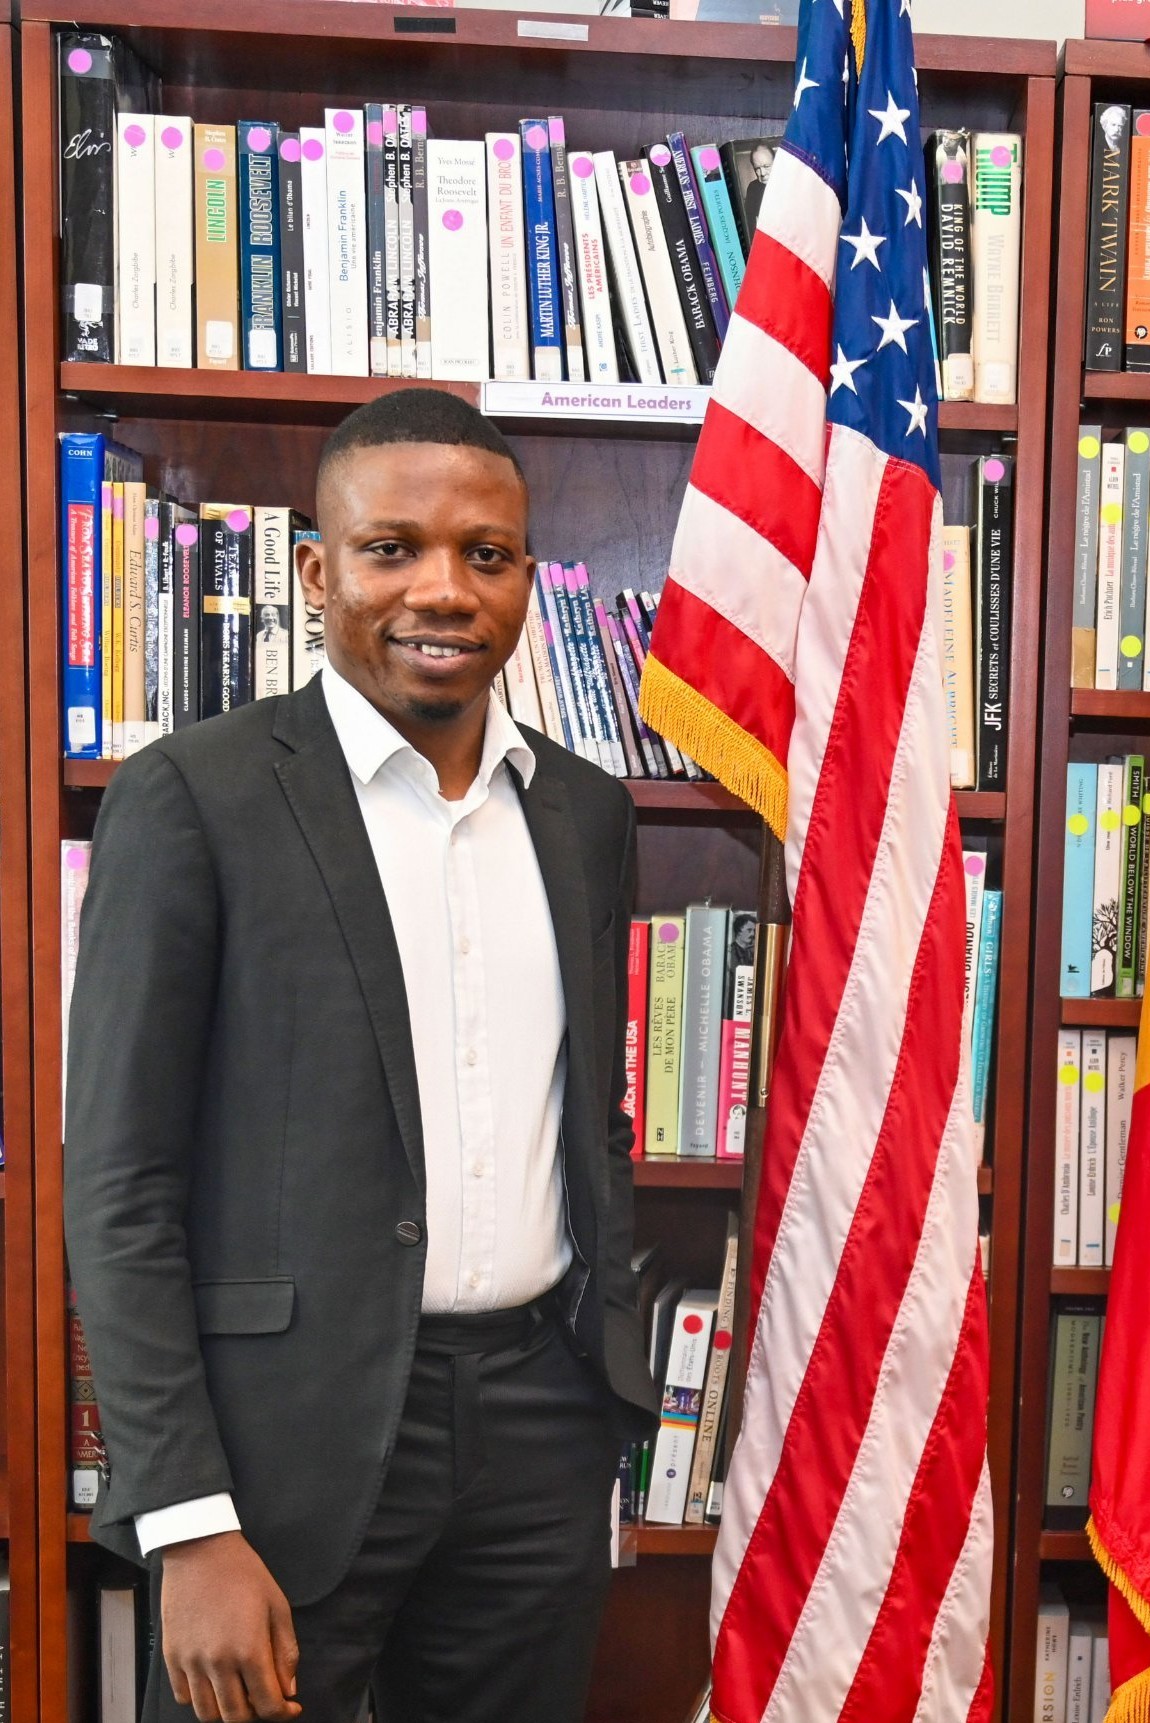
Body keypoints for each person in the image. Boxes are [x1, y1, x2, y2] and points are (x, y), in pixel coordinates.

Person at [65, 388, 657, 1723]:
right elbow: (118, 1184)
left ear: (525, 575)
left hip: (536, 1432)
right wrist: (186, 1513)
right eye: (393, 548)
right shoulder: (193, 798)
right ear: (317, 570)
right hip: (277, 1444)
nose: (442, 589)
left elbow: (591, 1119)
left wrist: (597, 1385)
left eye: (484, 554)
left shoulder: (583, 811)